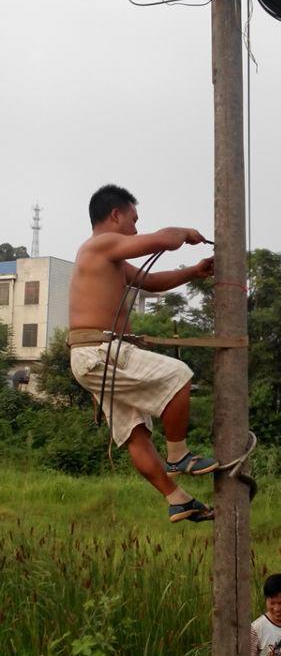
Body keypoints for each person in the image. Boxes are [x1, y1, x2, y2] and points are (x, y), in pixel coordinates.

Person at [69, 184, 218, 523]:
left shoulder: (111, 260)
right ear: (115, 215)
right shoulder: (100, 244)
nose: (136, 228)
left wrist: (193, 272)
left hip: (94, 356)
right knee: (179, 375)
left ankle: (178, 500)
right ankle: (178, 454)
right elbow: (163, 240)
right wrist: (185, 232)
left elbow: (151, 281)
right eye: (134, 220)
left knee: (135, 432)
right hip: (101, 351)